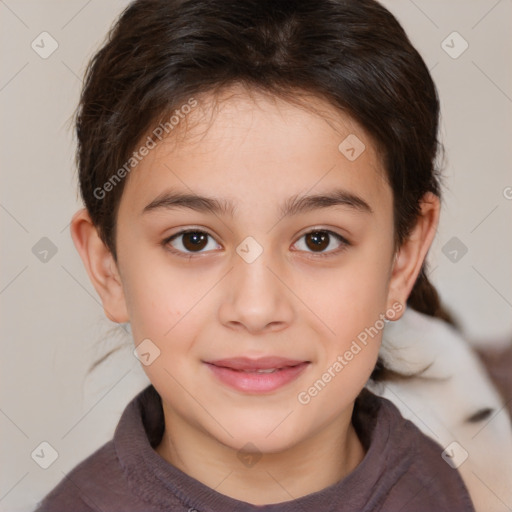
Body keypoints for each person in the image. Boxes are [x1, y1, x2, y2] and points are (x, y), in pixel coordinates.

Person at [34, 0, 476, 510]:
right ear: (108, 266)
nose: (256, 308)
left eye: (318, 240)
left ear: (403, 257)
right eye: (193, 240)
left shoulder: (437, 489)